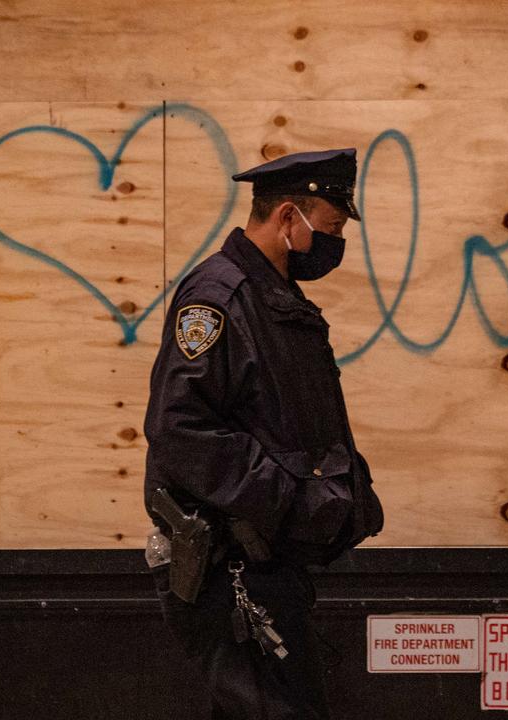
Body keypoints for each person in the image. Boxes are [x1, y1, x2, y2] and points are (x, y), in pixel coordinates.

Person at [143, 148, 384, 719]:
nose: (334, 243)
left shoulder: (273, 297)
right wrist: (291, 497)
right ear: (287, 219)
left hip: (267, 563)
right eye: (328, 226)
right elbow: (179, 428)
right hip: (230, 569)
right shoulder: (219, 298)